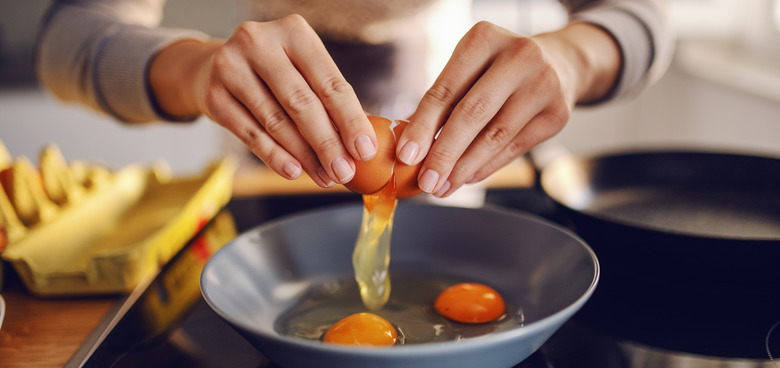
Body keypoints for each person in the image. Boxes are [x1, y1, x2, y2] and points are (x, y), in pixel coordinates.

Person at [35, 0, 673, 198]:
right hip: (271, 158)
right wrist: (195, 69)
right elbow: (65, 41)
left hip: (449, 159)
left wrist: (571, 56)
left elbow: (646, 20)